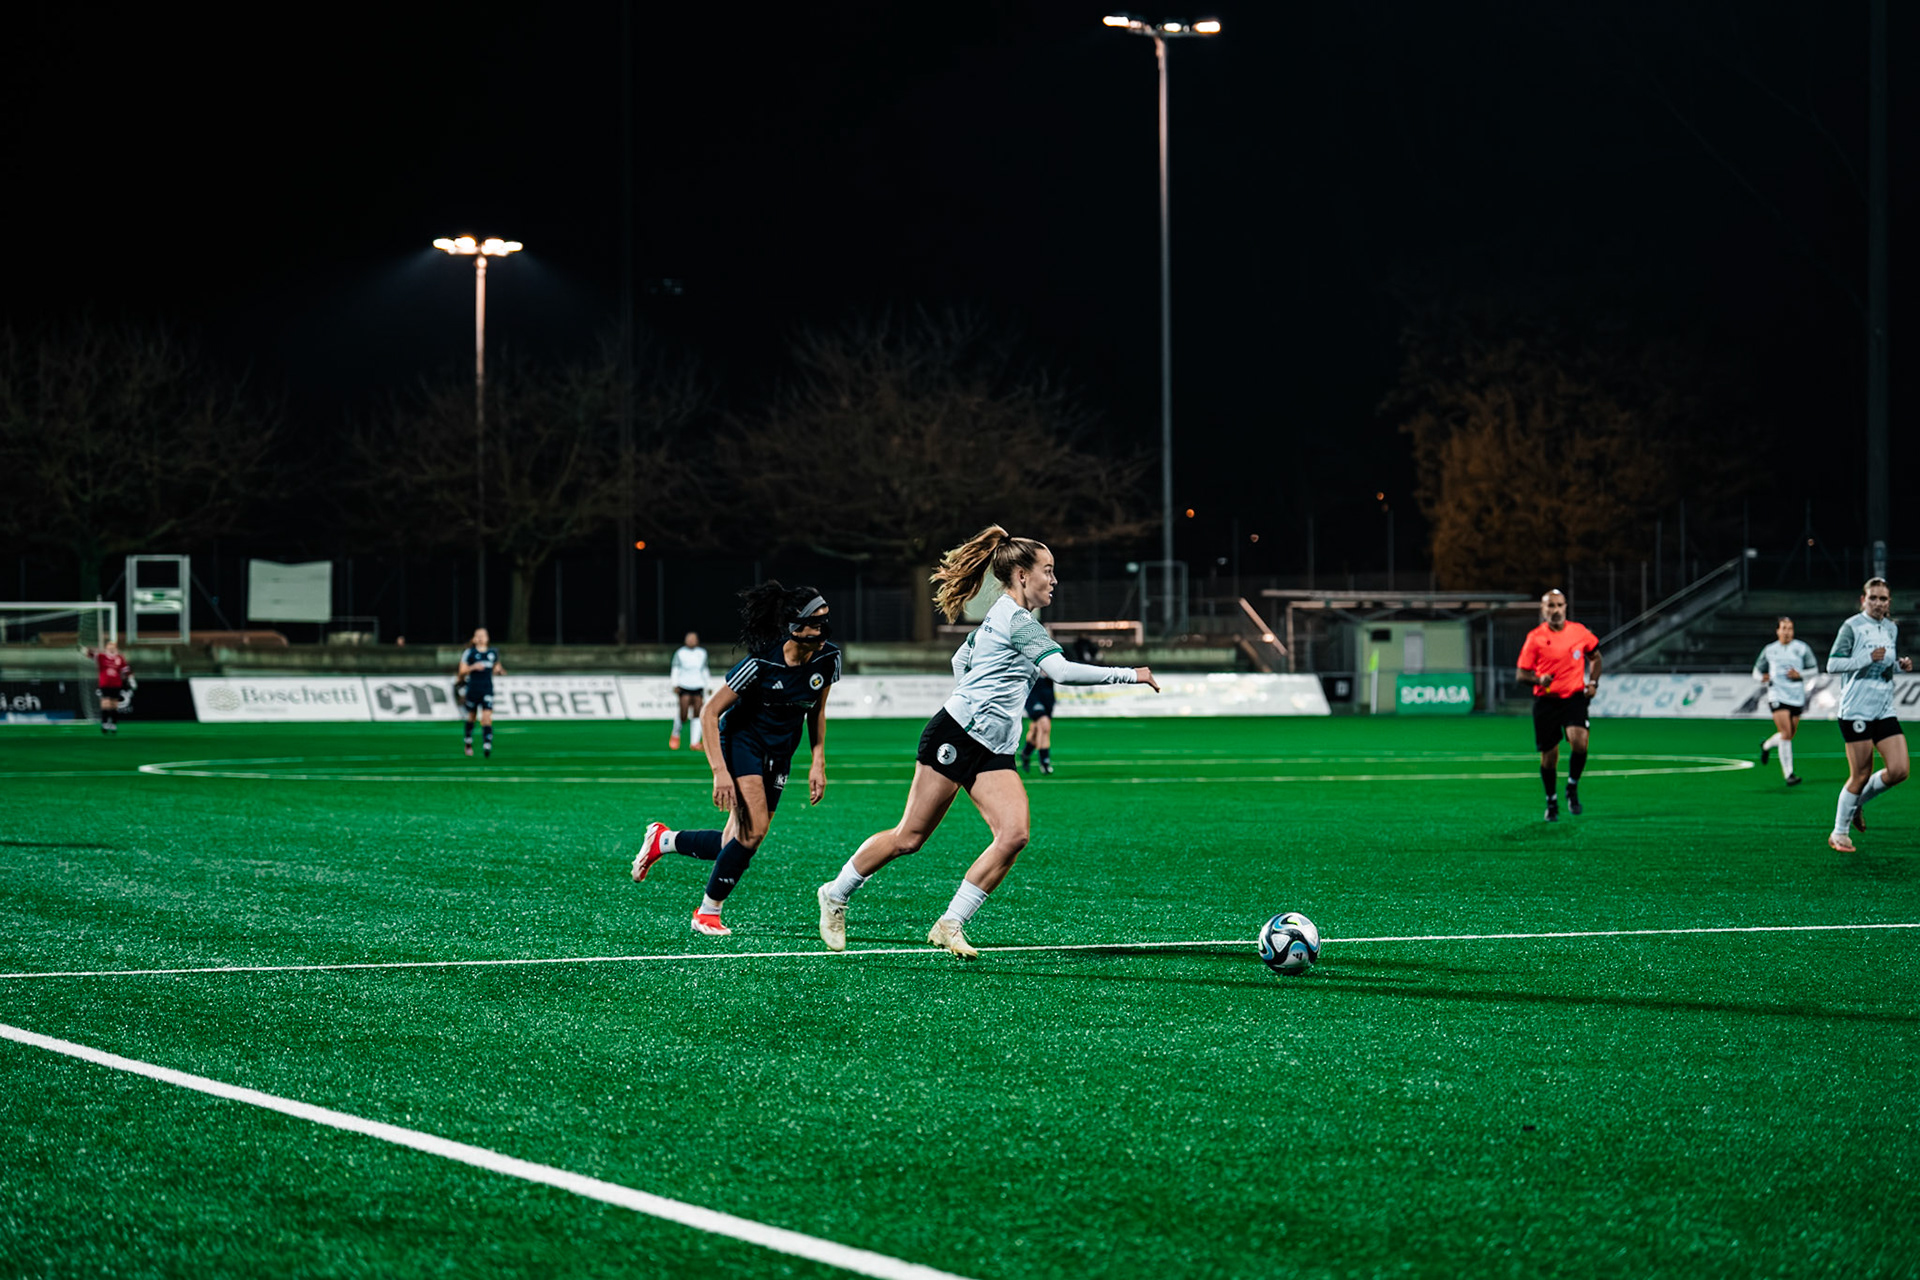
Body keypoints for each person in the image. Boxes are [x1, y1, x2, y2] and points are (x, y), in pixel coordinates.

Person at [815, 525, 1159, 958]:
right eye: (1047, 571)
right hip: (956, 736)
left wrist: (978, 698)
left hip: (992, 748)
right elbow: (1064, 672)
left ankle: (950, 923)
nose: (1053, 580)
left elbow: (961, 658)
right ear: (1021, 576)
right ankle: (836, 892)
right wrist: (1133, 674)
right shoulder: (1016, 620)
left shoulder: (1008, 617)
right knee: (909, 838)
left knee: (1014, 835)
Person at [631, 584, 839, 936]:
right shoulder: (760, 662)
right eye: (816, 624)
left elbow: (816, 712)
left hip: (780, 751)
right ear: (795, 626)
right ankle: (707, 912)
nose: (824, 630)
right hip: (742, 741)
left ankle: (663, 840)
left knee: (737, 841)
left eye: (826, 622)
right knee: (753, 831)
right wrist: (720, 773)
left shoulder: (829, 658)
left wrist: (818, 760)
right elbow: (710, 713)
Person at [1826, 578, 1911, 853]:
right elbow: (1832, 664)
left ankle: (1857, 802)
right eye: (1872, 598)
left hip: (1883, 708)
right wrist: (1865, 658)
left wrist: (1899, 665)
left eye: (1883, 599)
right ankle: (1839, 833)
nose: (1878, 603)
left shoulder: (1890, 628)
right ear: (1863, 599)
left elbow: (1885, 666)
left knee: (1899, 770)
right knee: (1860, 773)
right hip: (1856, 710)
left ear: (1889, 603)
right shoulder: (1852, 626)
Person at [1516, 589, 1601, 822]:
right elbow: (1521, 674)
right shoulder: (1535, 638)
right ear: (1543, 610)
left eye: (1559, 605)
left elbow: (1595, 657)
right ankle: (1551, 800)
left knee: (1580, 742)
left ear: (1566, 607)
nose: (1556, 611)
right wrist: (1537, 679)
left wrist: (1593, 682)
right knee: (1549, 757)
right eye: (1550, 606)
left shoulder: (1579, 632)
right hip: (1547, 701)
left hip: (1574, 697)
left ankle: (1572, 786)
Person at [1754, 615, 1820, 786]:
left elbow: (1814, 670)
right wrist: (1762, 677)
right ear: (1777, 631)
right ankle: (1789, 774)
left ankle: (1767, 745)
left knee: (1789, 734)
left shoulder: (1801, 648)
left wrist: (1800, 675)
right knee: (1785, 733)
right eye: (1783, 628)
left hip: (1796, 696)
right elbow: (1756, 670)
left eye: (1790, 628)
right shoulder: (1770, 649)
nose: (1787, 632)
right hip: (1776, 694)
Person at [457, 628, 505, 758]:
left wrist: (499, 671)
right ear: (474, 638)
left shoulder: (493, 653)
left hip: (487, 689)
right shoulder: (469, 653)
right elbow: (461, 671)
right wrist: (473, 667)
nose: (480, 638)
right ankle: (468, 741)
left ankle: (487, 744)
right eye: (478, 635)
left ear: (487, 638)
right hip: (473, 689)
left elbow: (497, 667)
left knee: (487, 718)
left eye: (483, 635)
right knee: (471, 717)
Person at [667, 631, 710, 750]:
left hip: (698, 686)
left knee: (697, 713)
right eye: (689, 638)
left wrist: (708, 685)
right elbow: (675, 668)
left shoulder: (702, 653)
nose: (691, 640)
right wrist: (674, 684)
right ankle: (675, 734)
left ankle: (695, 742)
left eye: (693, 638)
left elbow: (705, 669)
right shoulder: (680, 653)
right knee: (683, 714)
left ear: (697, 640)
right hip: (684, 686)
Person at [82, 639, 132, 735]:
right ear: (106, 648)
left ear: (116, 648)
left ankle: (113, 723)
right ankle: (104, 723)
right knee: (105, 703)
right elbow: (90, 655)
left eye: (113, 647)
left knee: (114, 704)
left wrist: (131, 679)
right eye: (109, 647)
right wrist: (86, 650)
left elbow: (126, 669)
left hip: (116, 684)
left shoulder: (119, 658)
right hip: (105, 684)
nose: (111, 648)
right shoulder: (102, 657)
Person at [1020, 675, 1054, 773]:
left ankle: (1026, 753)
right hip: (1033, 689)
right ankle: (1045, 762)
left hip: (1047, 689)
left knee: (1036, 728)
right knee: (1044, 725)